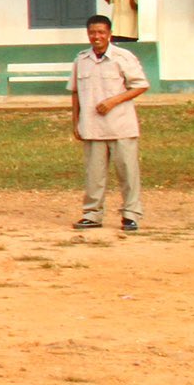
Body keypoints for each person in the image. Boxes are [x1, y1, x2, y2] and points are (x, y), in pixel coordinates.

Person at [69, 14, 148, 232]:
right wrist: (75, 121)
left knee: (128, 173)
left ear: (109, 34)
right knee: (94, 175)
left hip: (121, 125)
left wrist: (114, 101)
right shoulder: (81, 60)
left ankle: (131, 215)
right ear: (88, 34)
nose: (97, 37)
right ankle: (92, 214)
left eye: (101, 32)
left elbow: (141, 85)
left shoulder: (123, 57)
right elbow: (75, 93)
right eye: (93, 32)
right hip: (92, 127)